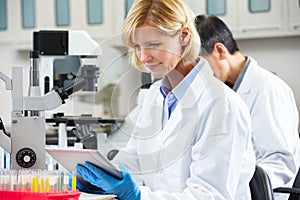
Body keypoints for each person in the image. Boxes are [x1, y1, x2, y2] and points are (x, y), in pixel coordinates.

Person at [75, 0, 257, 199]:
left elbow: (210, 195)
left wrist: (138, 196)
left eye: (153, 45)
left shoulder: (222, 105)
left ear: (184, 36)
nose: (143, 57)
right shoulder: (155, 95)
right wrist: (99, 179)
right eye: (137, 46)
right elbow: (134, 161)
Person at [195, 15, 300, 199]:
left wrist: (239, 187)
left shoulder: (267, 89)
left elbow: (279, 162)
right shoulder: (226, 89)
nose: (198, 74)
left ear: (220, 51)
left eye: (200, 63)